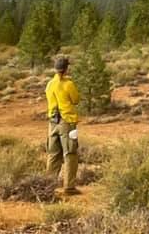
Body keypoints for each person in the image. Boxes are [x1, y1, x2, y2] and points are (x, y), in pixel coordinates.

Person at [46, 56, 81, 194]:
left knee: (53, 154)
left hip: (52, 122)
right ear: (66, 68)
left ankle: (48, 186)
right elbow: (76, 99)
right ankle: (69, 187)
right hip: (67, 122)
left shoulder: (49, 84)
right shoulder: (68, 84)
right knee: (70, 153)